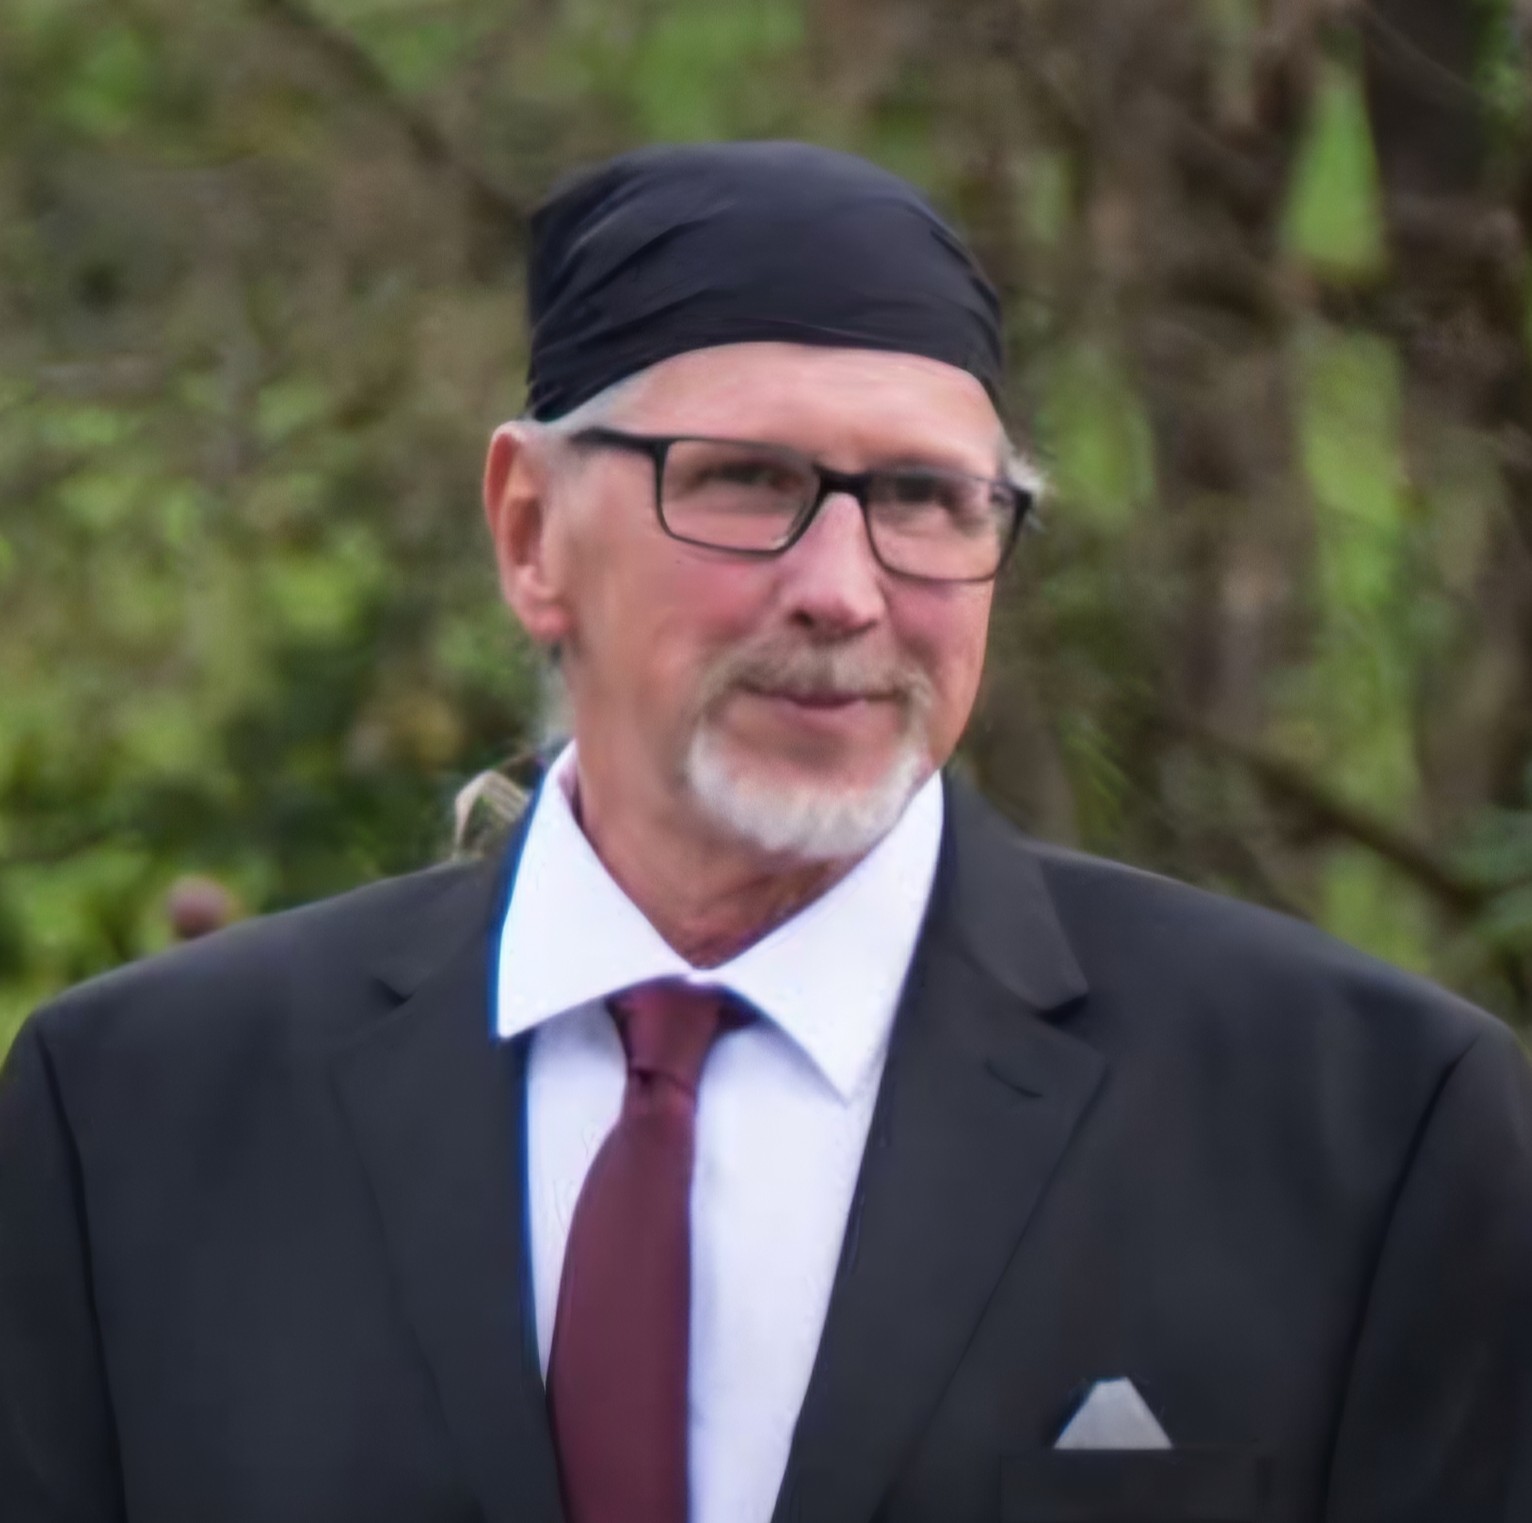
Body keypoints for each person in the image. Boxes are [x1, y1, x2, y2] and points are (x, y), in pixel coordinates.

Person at [1, 141, 1529, 1523]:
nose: (844, 590)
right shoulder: (133, 1119)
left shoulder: (1360, 1127)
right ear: (530, 533)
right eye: (746, 482)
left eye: (925, 500)